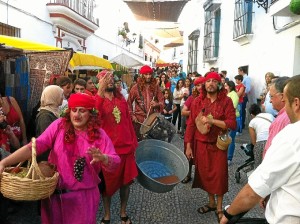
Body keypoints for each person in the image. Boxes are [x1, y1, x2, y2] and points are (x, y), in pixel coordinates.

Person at [0, 93, 121, 224]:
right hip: (54, 197)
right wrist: (4, 162)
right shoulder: (59, 126)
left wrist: (104, 158)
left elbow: (115, 161)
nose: (77, 115)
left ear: (90, 113)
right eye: (74, 110)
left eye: (82, 111)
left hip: (82, 199)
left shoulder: (99, 135)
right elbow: (34, 147)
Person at [220, 74, 300, 224]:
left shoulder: (291, 135)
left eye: (286, 100)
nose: (283, 104)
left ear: (296, 103)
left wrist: (228, 215)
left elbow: (253, 191)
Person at [185, 72, 236, 221]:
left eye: (214, 81)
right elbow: (191, 125)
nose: (211, 84)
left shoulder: (226, 101)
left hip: (218, 145)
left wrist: (213, 122)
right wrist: (188, 146)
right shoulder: (197, 102)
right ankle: (211, 203)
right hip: (201, 144)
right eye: (208, 81)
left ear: (219, 84)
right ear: (204, 84)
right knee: (205, 175)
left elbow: (233, 123)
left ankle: (220, 207)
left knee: (219, 176)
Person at [95, 70, 138, 224]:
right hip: (108, 151)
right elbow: (95, 118)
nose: (110, 81)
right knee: (107, 185)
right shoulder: (97, 100)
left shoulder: (121, 100)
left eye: (112, 78)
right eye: (106, 79)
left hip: (126, 149)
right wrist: (100, 93)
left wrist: (134, 142)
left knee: (126, 183)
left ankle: (123, 212)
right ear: (99, 82)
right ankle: (107, 214)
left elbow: (128, 122)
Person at [127, 65, 164, 141]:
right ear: (142, 75)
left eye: (150, 74)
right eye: (146, 74)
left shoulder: (156, 87)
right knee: (139, 142)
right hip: (138, 120)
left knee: (151, 143)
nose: (148, 76)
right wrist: (132, 116)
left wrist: (156, 104)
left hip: (152, 121)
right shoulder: (135, 87)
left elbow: (162, 102)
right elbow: (128, 104)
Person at [181, 77, 205, 184]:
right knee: (188, 152)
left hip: (203, 130)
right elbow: (183, 111)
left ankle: (201, 176)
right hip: (191, 129)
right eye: (198, 85)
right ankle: (188, 174)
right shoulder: (192, 98)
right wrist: (195, 113)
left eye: (201, 85)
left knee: (202, 154)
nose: (199, 88)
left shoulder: (209, 99)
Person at [262, 76, 290, 158]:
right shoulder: (287, 116)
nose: (270, 101)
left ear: (282, 96)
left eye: (271, 96)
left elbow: (270, 150)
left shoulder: (282, 120)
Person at [35, 85, 64, 161]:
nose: (62, 98)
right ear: (54, 96)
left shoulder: (53, 112)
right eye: (61, 95)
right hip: (46, 158)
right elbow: (46, 139)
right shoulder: (45, 116)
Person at [248, 103, 274, 169]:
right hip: (272, 141)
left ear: (251, 114)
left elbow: (254, 141)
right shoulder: (270, 115)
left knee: (258, 167)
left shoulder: (252, 122)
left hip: (261, 143)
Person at [224, 80, 240, 165]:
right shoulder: (228, 94)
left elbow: (232, 107)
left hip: (233, 119)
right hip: (227, 119)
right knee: (226, 138)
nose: (224, 87)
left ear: (229, 87)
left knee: (231, 139)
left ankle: (229, 158)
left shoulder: (234, 95)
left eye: (226, 85)